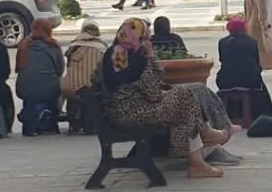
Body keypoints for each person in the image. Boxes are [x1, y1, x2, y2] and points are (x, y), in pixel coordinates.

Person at [98, 18, 229, 178]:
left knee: (184, 101)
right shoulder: (131, 56)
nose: (148, 41)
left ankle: (198, 157)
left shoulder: (118, 51)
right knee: (184, 97)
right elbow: (151, 93)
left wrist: (151, 58)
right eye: (146, 37)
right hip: (130, 111)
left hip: (126, 107)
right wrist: (150, 58)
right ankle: (201, 145)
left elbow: (140, 84)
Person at [216, 18, 272, 119]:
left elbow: (222, 60)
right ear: (244, 29)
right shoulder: (251, 41)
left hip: (225, 81)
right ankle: (262, 115)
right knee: (261, 90)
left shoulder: (222, 42)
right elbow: (256, 61)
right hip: (249, 81)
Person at [15, 19, 65, 136]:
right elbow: (60, 70)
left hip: (25, 90)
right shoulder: (53, 46)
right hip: (50, 90)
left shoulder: (24, 45)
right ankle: (51, 121)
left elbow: (18, 68)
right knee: (58, 84)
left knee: (30, 95)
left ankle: (28, 123)